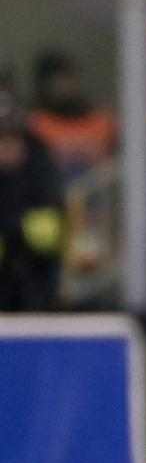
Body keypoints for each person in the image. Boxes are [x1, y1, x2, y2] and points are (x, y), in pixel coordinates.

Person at [0, 94, 64, 311]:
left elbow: (48, 233)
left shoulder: (40, 172)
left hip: (35, 279)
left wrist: (10, 229)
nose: (7, 147)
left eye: (12, 139)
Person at [26, 50, 117, 179]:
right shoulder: (35, 125)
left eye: (68, 78)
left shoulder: (102, 121)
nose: (64, 86)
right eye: (57, 80)